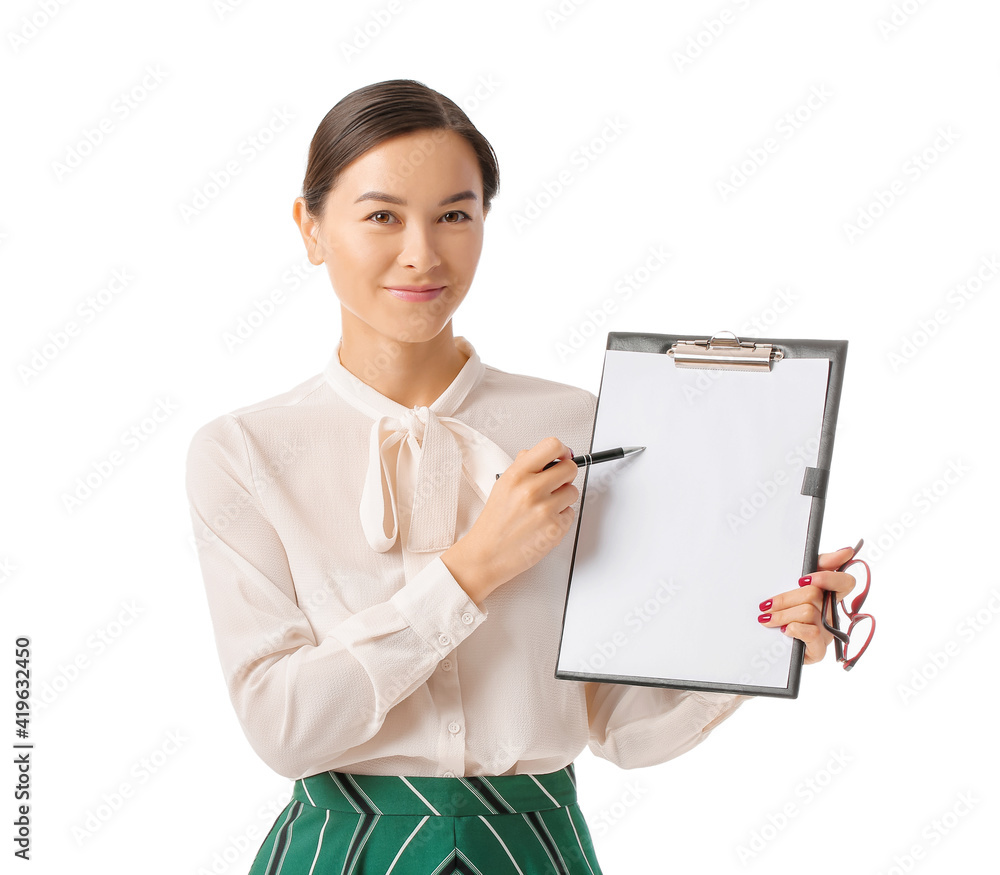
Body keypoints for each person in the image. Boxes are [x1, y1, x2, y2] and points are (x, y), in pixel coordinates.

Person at [185, 79, 859, 875]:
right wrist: (475, 568)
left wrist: (760, 641)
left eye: (455, 215)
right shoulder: (244, 450)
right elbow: (283, 727)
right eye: (381, 215)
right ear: (311, 227)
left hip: (534, 846)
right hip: (345, 851)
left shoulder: (585, 429)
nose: (422, 253)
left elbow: (618, 724)